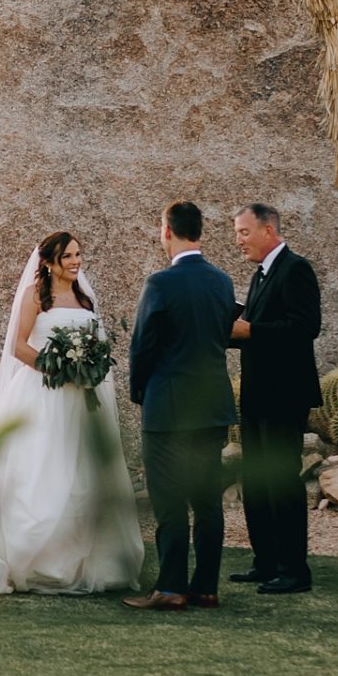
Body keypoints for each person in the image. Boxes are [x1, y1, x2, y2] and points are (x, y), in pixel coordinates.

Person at [0, 229, 142, 595]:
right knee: (43, 467)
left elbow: (97, 344)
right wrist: (57, 368)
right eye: (68, 256)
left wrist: (90, 366)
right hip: (44, 395)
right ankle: (37, 557)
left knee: (82, 470)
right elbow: (18, 347)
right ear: (49, 262)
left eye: (78, 255)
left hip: (82, 400)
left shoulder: (85, 299)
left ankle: (90, 557)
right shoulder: (34, 297)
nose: (76, 262)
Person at [123, 200, 237, 613]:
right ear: (200, 232)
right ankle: (206, 588)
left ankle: (171, 586)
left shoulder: (160, 284)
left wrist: (141, 393)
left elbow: (143, 347)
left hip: (168, 408)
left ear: (166, 231)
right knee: (207, 501)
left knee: (169, 501)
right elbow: (222, 335)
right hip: (211, 406)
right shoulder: (223, 282)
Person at [230, 202, 323, 595]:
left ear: (268, 230)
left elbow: (306, 327)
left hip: (285, 395)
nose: (239, 241)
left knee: (282, 479)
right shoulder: (259, 276)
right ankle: (265, 561)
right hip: (256, 394)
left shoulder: (296, 268)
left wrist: (252, 331)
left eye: (244, 232)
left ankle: (293, 569)